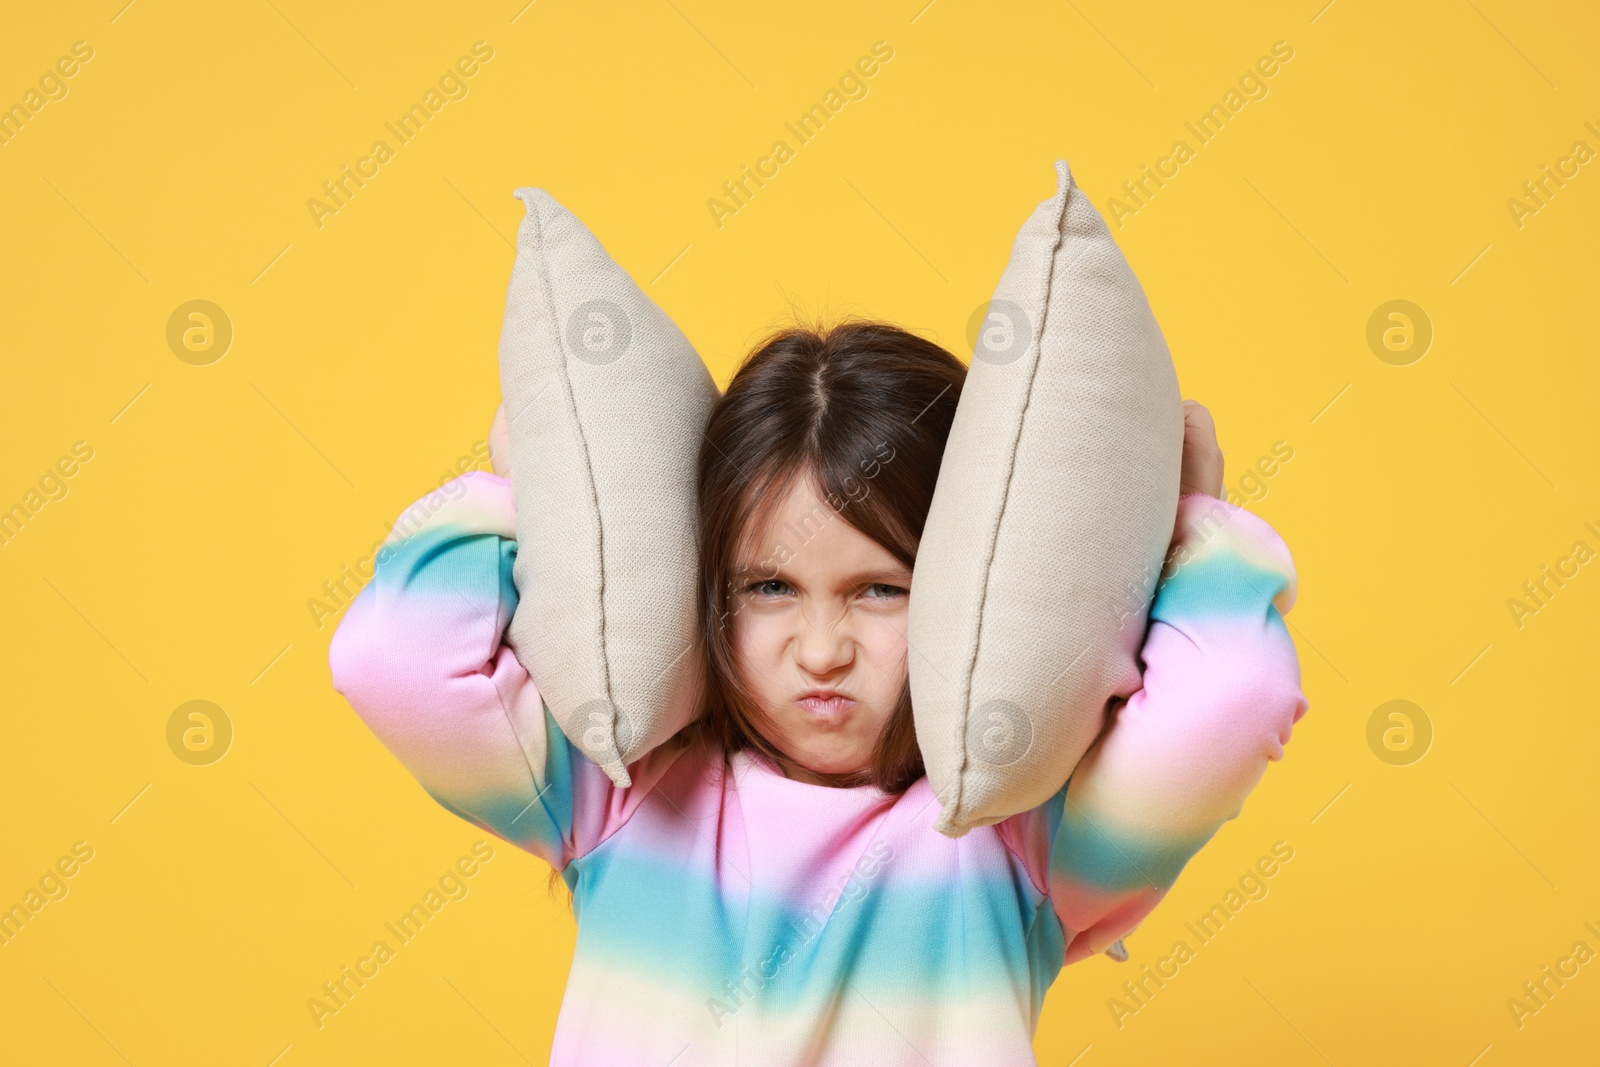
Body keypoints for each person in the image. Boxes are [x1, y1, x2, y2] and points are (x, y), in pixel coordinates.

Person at [328, 318, 1308, 1064]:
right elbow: (394, 660)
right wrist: (529, 500)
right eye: (768, 587)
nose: (822, 648)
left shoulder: (1017, 837)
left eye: (880, 589)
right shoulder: (622, 793)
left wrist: (1190, 530)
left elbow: (1229, 705)